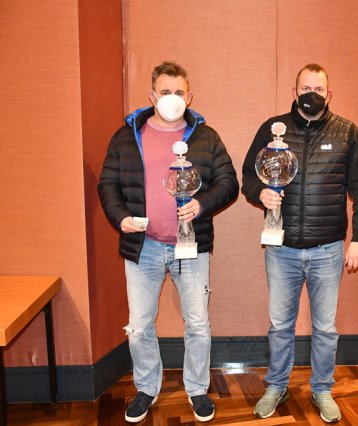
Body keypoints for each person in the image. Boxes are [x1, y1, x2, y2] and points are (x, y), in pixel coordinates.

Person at [98, 61, 238, 423]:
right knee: (139, 326)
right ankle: (146, 387)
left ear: (189, 97)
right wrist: (120, 217)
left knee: (198, 323)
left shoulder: (206, 137)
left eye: (179, 92)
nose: (172, 98)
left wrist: (201, 204)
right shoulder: (127, 136)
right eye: (165, 92)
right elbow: (108, 183)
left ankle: (197, 389)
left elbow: (228, 183)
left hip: (191, 246)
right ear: (152, 95)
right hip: (143, 246)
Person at [241, 63, 358, 423]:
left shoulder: (347, 132)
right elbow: (248, 175)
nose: (311, 94)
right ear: (294, 91)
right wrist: (260, 193)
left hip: (327, 251)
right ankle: (277, 386)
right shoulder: (273, 130)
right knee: (280, 326)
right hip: (281, 248)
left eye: (318, 89)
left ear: (329, 95)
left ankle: (322, 389)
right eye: (305, 88)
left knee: (326, 328)